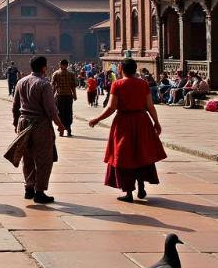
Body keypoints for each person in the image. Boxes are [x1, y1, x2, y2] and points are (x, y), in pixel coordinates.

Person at [89, 58, 166, 202]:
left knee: (124, 156)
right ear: (135, 69)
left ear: (121, 69)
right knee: (141, 153)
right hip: (142, 121)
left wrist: (97, 119)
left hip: (124, 122)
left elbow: (111, 107)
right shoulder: (143, 84)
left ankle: (129, 192)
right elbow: (150, 106)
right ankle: (141, 186)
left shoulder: (117, 84)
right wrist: (156, 122)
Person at [12, 55, 64, 204]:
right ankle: (39, 191)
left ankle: (29, 188)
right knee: (43, 159)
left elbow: (15, 106)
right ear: (43, 68)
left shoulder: (21, 82)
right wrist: (59, 125)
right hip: (40, 124)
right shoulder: (44, 84)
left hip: (23, 122)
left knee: (27, 157)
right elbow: (51, 110)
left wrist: (16, 123)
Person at [51, 58, 77, 137]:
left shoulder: (56, 74)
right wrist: (74, 95)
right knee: (68, 113)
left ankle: (62, 130)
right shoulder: (71, 74)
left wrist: (52, 96)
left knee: (61, 113)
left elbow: (53, 86)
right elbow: (73, 86)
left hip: (60, 96)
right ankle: (67, 129)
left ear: (61, 65)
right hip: (67, 96)